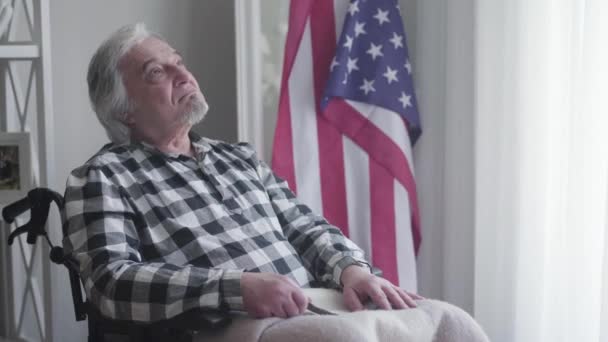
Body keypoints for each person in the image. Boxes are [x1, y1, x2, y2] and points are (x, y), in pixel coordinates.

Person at [63, 23, 422, 323]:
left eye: (178, 63)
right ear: (124, 110)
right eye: (157, 72)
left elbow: (304, 227)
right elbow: (110, 282)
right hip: (232, 325)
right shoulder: (103, 177)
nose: (183, 74)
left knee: (446, 321)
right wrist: (235, 288)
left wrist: (350, 269)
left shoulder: (239, 158)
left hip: (317, 305)